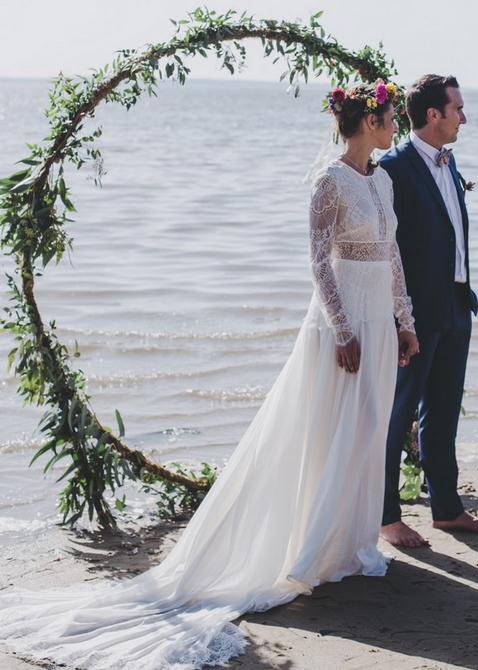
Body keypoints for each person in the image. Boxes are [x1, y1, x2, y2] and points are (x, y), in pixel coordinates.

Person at [0, 80, 418, 670]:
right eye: (389, 119)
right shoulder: (331, 182)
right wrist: (342, 327)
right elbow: (318, 259)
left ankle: (349, 547)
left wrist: (406, 318)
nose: (394, 127)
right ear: (368, 121)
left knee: (372, 432)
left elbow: (394, 254)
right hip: (344, 324)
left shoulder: (383, 179)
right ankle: (313, 550)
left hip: (380, 321)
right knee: (336, 430)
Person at [379, 74, 478, 547]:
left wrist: (464, 291)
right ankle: (387, 517)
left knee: (445, 409)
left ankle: (446, 509)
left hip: (455, 303)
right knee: (398, 411)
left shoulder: (449, 164)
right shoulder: (393, 168)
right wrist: (400, 317)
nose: (463, 118)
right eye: (458, 110)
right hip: (415, 313)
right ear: (434, 115)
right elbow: (386, 249)